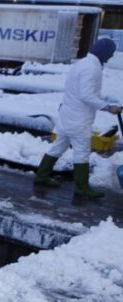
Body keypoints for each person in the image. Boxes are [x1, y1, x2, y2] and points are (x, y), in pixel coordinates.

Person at [34, 38, 121, 198]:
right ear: (104, 51)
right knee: (82, 152)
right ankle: (82, 188)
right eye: (111, 52)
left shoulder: (82, 64)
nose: (111, 55)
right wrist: (108, 107)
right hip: (79, 119)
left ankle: (41, 176)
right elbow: (87, 95)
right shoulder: (92, 68)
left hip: (67, 115)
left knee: (58, 146)